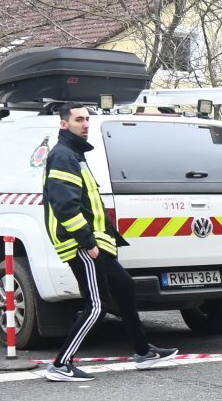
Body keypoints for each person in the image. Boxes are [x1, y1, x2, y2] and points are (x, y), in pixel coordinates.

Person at [41, 104, 177, 383]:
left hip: (95, 244)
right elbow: (65, 206)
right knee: (96, 305)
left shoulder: (74, 154)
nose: (86, 124)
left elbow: (86, 203)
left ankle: (143, 352)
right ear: (64, 124)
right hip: (81, 244)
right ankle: (61, 364)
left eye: (87, 119)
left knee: (125, 286)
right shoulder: (64, 155)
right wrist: (88, 243)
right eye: (79, 120)